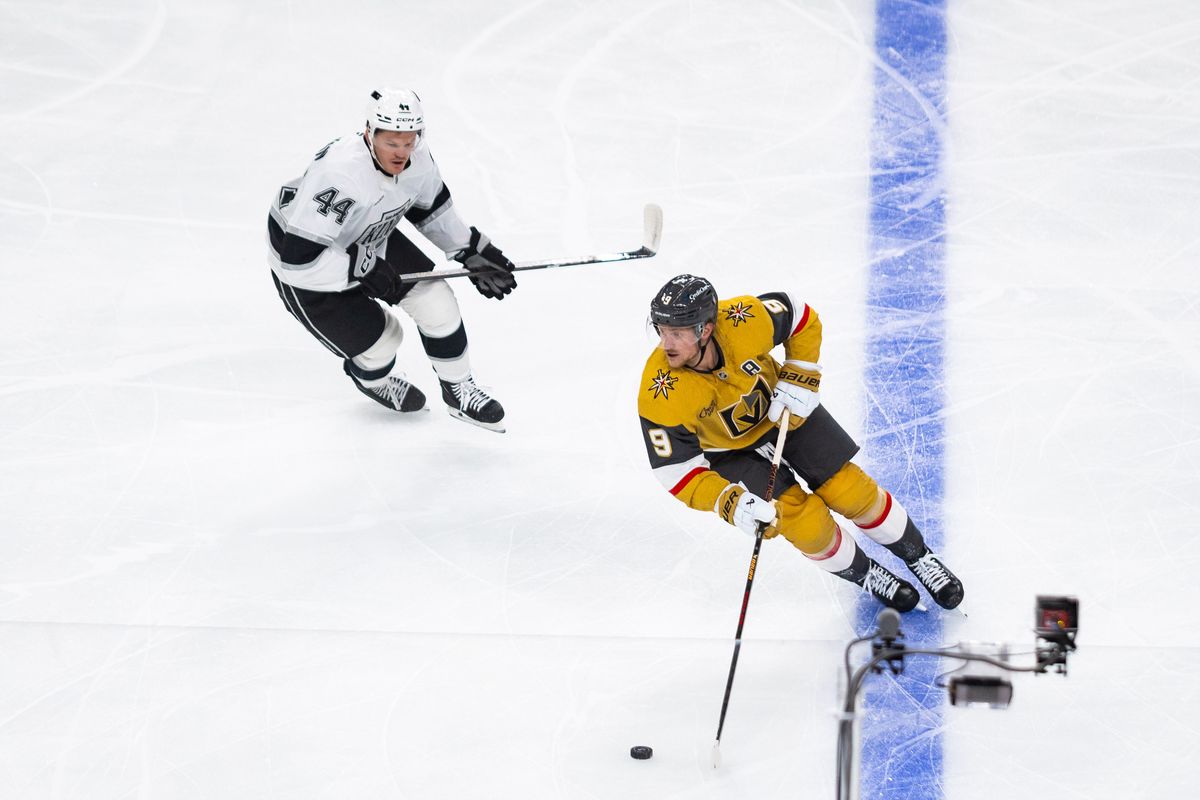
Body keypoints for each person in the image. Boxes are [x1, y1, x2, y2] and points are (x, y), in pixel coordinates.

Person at [637, 274, 964, 611]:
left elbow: (800, 316)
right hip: (731, 454)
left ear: (704, 329)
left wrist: (800, 377)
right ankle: (866, 574)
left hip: (786, 414)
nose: (666, 343)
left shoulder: (741, 320)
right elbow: (676, 473)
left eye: (676, 333)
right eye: (661, 331)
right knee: (805, 526)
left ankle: (918, 556)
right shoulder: (659, 392)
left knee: (851, 491)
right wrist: (729, 502)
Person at [266, 88, 516, 432]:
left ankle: (459, 391)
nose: (401, 152)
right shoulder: (341, 175)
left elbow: (430, 207)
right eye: (391, 143)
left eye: (408, 141)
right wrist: (362, 268)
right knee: (384, 342)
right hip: (305, 262)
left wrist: (469, 249)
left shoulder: (418, 156)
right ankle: (369, 377)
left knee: (436, 299)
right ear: (369, 134)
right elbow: (300, 259)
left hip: (367, 233)